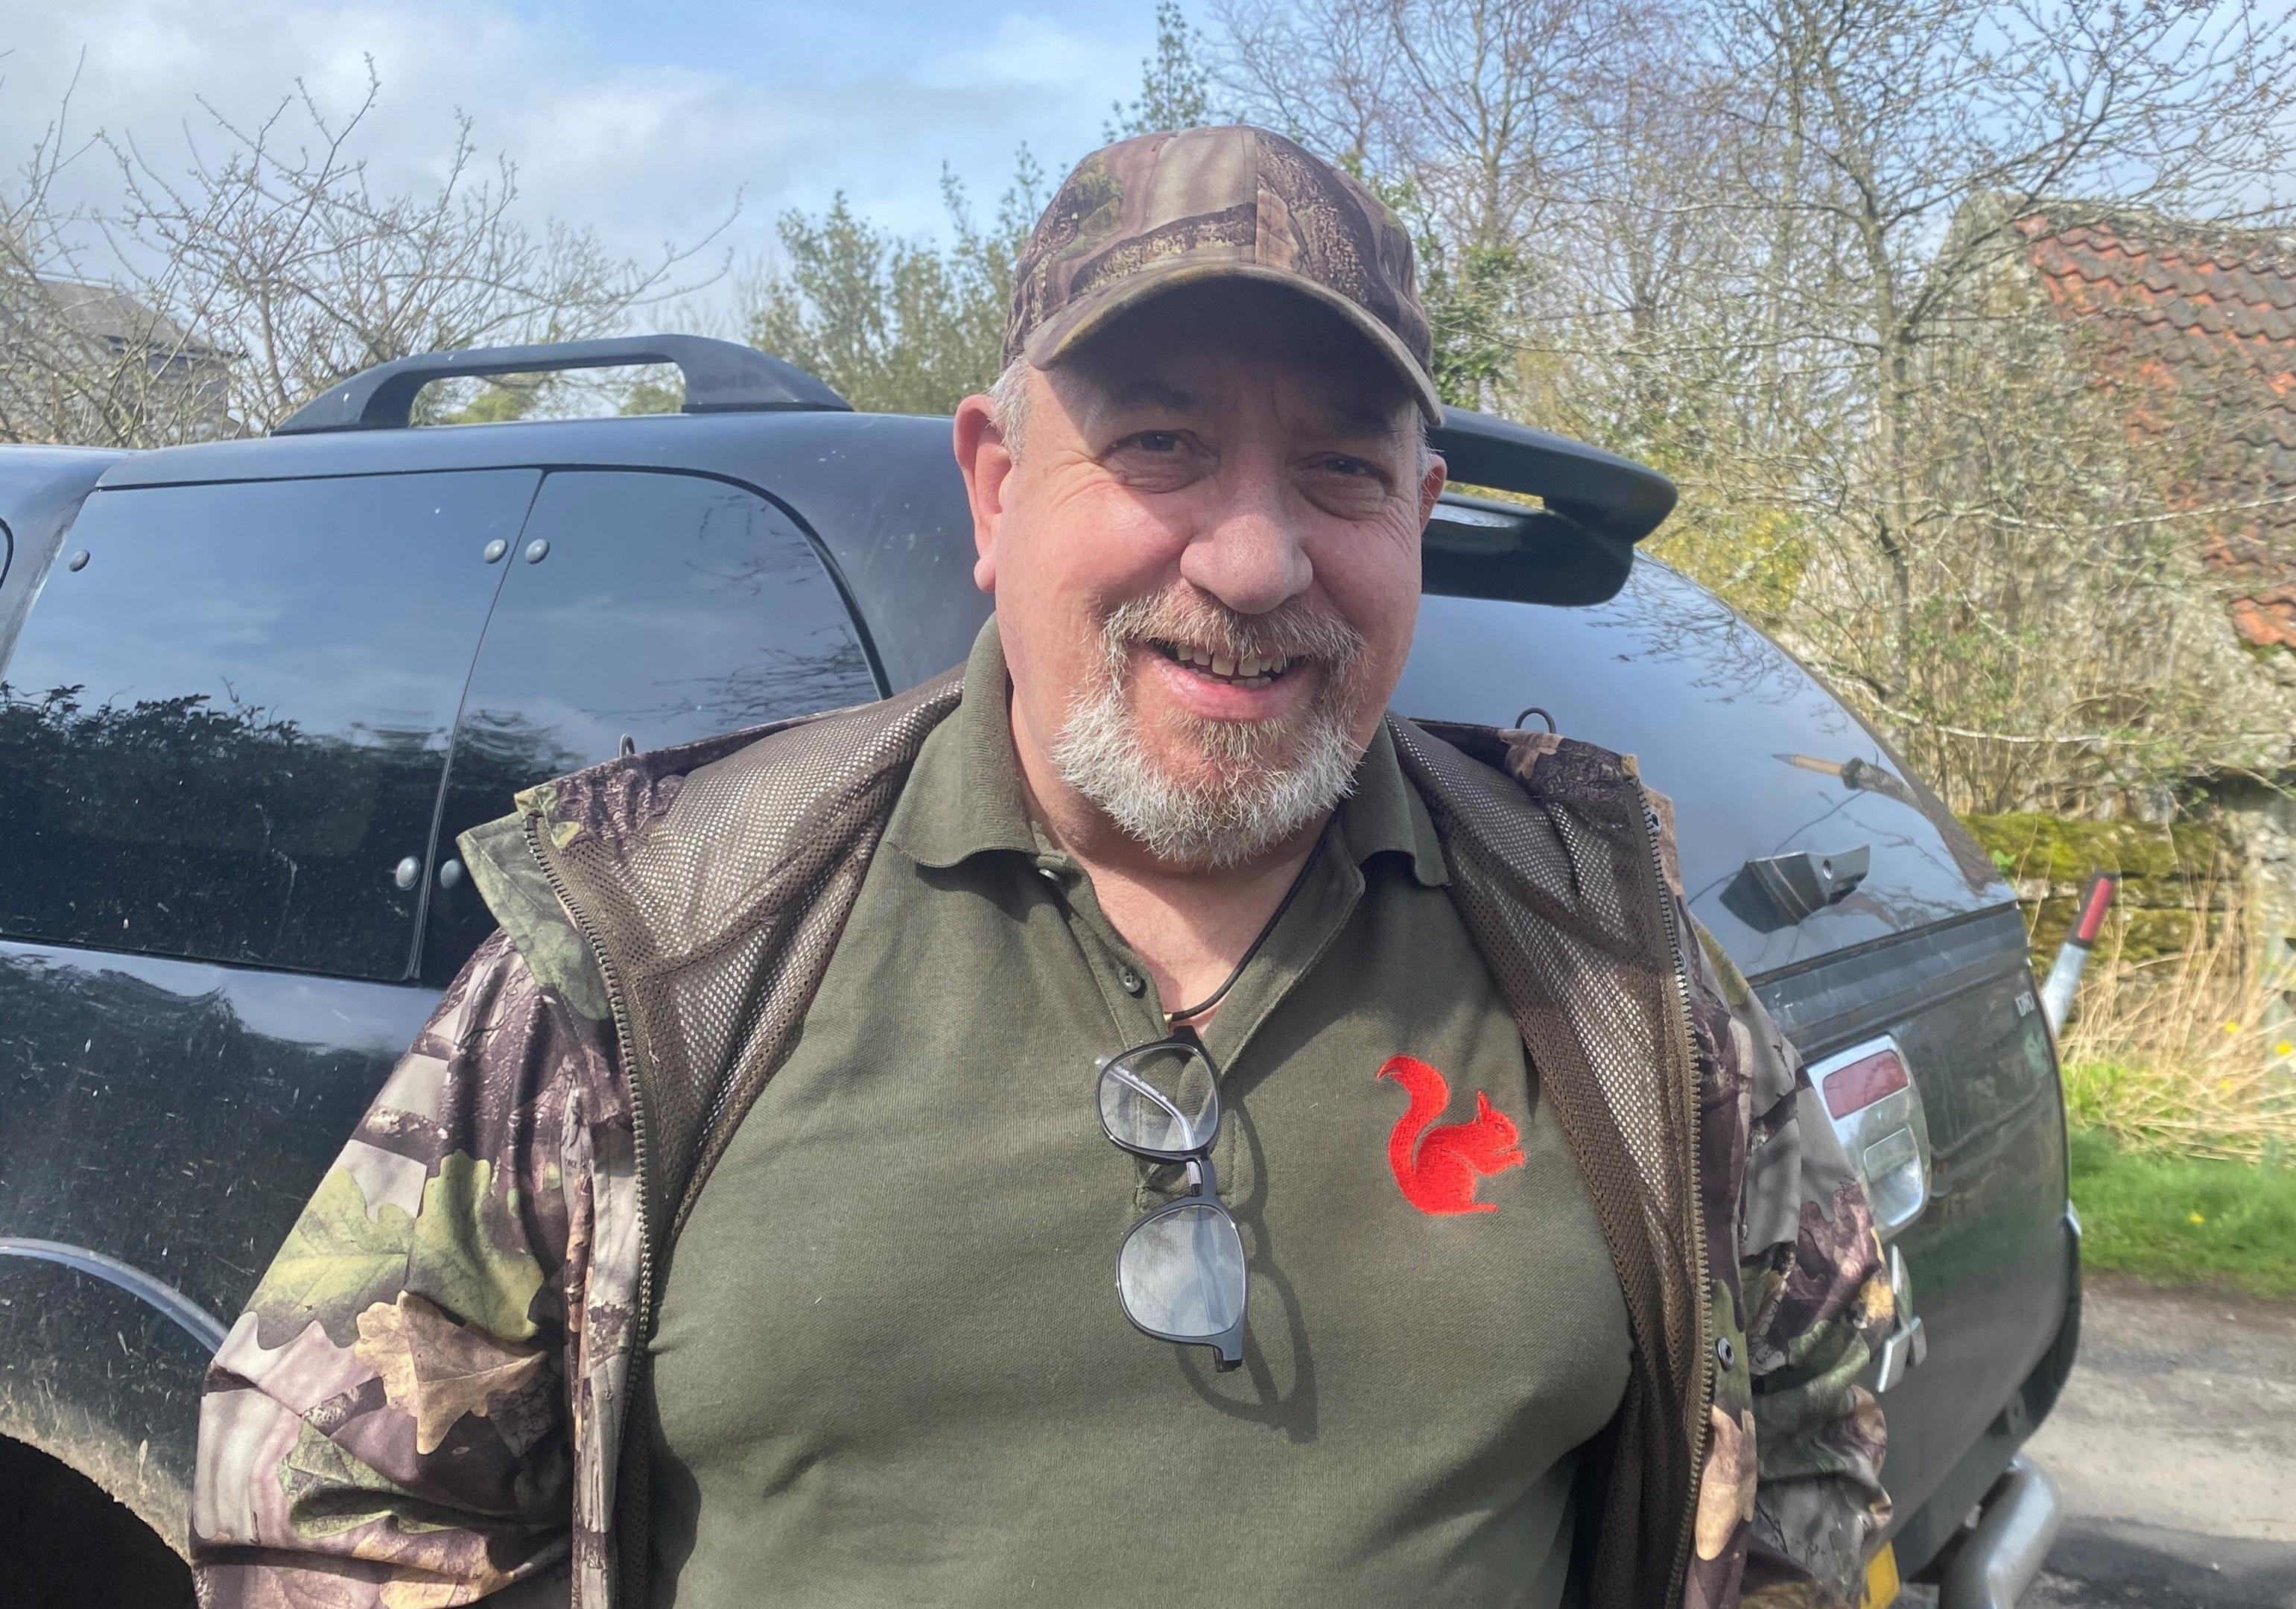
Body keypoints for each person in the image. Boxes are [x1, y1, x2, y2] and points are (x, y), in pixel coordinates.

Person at [190, 124, 1892, 1609]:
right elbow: (328, 1493)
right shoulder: (668, 938)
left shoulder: (1606, 960)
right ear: (996, 490)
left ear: (1420, 513)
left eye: (1342, 472)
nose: (1252, 554)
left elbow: (1814, 1392)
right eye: (1159, 445)